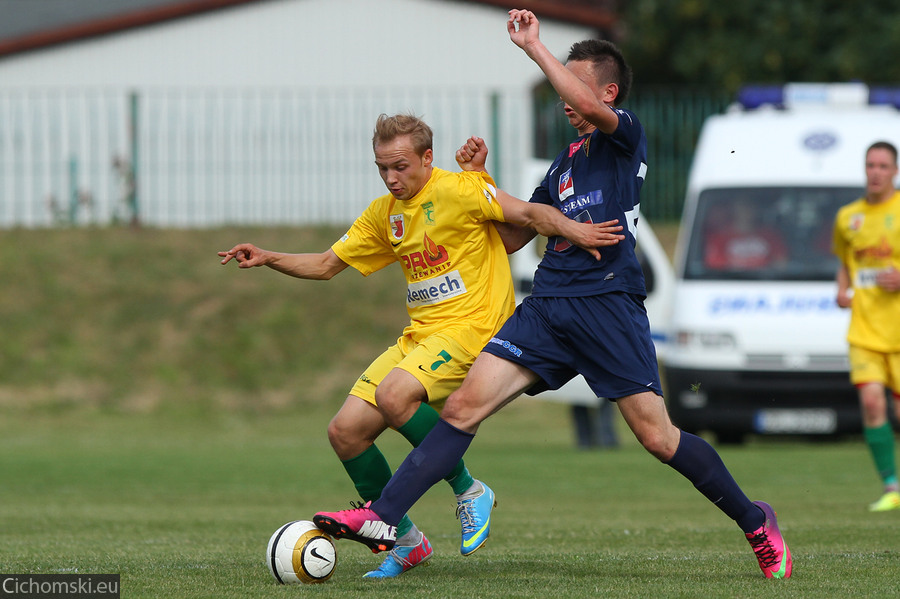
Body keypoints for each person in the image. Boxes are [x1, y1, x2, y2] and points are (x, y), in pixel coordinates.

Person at [313, 10, 792, 580]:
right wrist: (485, 181)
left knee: (658, 438)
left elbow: (589, 109)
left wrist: (535, 48)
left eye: (577, 84)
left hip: (607, 305)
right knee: (463, 407)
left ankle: (755, 520)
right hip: (545, 309)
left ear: (608, 93)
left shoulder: (624, 138)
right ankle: (385, 517)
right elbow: (516, 234)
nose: (567, 98)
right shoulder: (563, 165)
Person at [218, 113, 624, 578]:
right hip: (421, 336)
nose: (392, 177)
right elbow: (327, 264)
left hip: (474, 328)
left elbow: (531, 215)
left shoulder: (460, 189)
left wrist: (577, 230)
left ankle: (470, 490)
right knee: (345, 431)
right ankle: (407, 541)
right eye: (382, 168)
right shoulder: (383, 214)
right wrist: (268, 257)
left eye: (400, 166)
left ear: (427, 158)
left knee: (395, 395)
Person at [833, 140, 900, 512]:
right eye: (870, 165)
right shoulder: (848, 217)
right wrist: (842, 291)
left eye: (883, 166)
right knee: (872, 402)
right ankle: (892, 487)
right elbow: (845, 262)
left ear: (894, 171)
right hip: (864, 332)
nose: (875, 172)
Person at [704, 199, 789, 270]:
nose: (747, 210)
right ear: (734, 209)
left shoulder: (770, 236)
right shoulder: (719, 238)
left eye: (751, 206)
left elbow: (781, 264)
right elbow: (716, 269)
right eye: (743, 206)